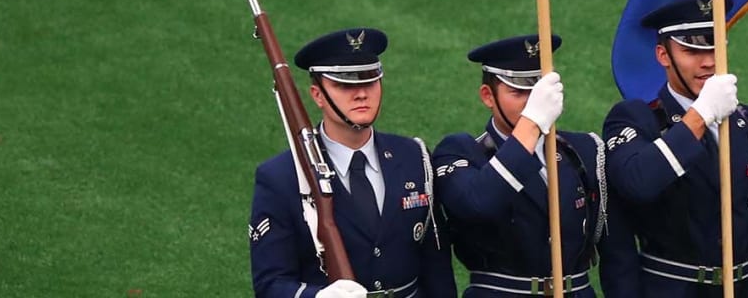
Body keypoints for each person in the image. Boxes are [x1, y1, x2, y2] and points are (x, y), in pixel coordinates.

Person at [601, 0, 748, 297]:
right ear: (663, 55)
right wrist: (701, 115)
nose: (708, 61)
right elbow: (637, 182)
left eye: (714, 48)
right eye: (691, 50)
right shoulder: (636, 119)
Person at [249, 28, 456, 298]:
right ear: (317, 94)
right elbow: (270, 283)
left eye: (370, 81)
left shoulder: (414, 157)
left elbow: (436, 267)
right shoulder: (281, 177)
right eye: (345, 84)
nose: (361, 94)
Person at [432, 34, 641, 298]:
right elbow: (479, 203)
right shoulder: (461, 152)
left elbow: (619, 256)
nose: (532, 102)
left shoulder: (585, 149)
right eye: (518, 92)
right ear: (488, 96)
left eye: (538, 92)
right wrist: (531, 124)